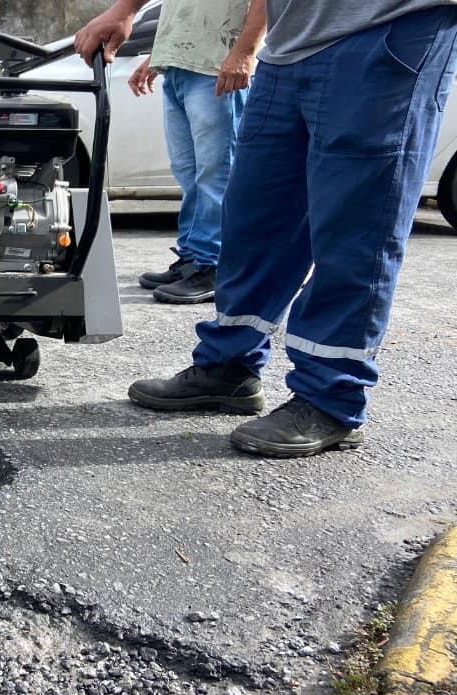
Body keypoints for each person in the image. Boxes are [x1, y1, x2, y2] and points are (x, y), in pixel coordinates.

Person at [76, 0, 457, 458]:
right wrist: (126, 8)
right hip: (287, 44)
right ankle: (230, 367)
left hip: (386, 29)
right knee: (254, 222)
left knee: (355, 228)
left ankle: (331, 397)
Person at [130, 0, 265, 304]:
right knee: (188, 173)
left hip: (218, 66)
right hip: (181, 67)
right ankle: (192, 259)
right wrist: (160, 55)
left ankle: (216, 266)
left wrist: (245, 52)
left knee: (217, 174)